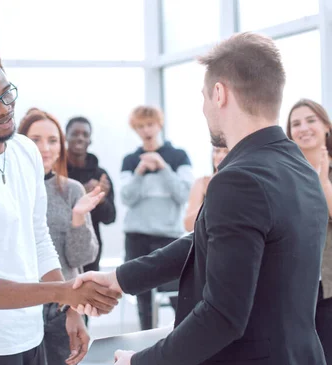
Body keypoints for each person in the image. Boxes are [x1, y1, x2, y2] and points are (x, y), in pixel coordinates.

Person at [74, 32, 328, 365]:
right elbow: (207, 241)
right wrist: (119, 279)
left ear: (220, 93)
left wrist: (140, 362)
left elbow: (222, 316)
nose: (204, 108)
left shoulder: (238, 179)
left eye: (204, 96)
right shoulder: (300, 167)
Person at [0, 49, 120, 365]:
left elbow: (38, 238)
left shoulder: (25, 151)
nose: (4, 109)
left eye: (7, 94)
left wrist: (70, 311)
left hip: (32, 334)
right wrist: (62, 292)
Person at [18, 109, 101, 365]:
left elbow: (82, 258)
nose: (45, 148)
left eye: (52, 140)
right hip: (18, 304)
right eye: (36, 139)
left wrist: (78, 219)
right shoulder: (8, 190)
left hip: (63, 307)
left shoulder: (72, 189)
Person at [120, 106, 193, 329]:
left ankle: (185, 346)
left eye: (149, 124)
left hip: (169, 237)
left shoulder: (179, 156)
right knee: (143, 300)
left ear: (159, 124)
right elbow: (126, 197)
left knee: (178, 296)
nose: (146, 130)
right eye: (140, 126)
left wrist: (163, 167)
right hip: (137, 238)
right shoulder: (131, 160)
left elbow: (183, 194)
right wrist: (140, 172)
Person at [286, 98, 332, 364]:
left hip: (328, 283)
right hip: (294, 283)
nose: (303, 128)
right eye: (295, 123)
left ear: (326, 125)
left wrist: (323, 178)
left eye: (311, 120)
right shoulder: (286, 171)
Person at [65, 116, 116, 272]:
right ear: (65, 137)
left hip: (90, 248)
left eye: (85, 134)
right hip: (58, 244)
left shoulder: (101, 175)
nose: (80, 138)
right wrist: (82, 192)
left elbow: (110, 217)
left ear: (90, 140)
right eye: (75, 133)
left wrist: (99, 200)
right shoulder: (56, 170)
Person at [183, 147, 228, 232]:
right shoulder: (202, 182)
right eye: (217, 151)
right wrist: (212, 197)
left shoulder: (240, 183)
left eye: (226, 151)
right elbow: (188, 225)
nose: (220, 156)